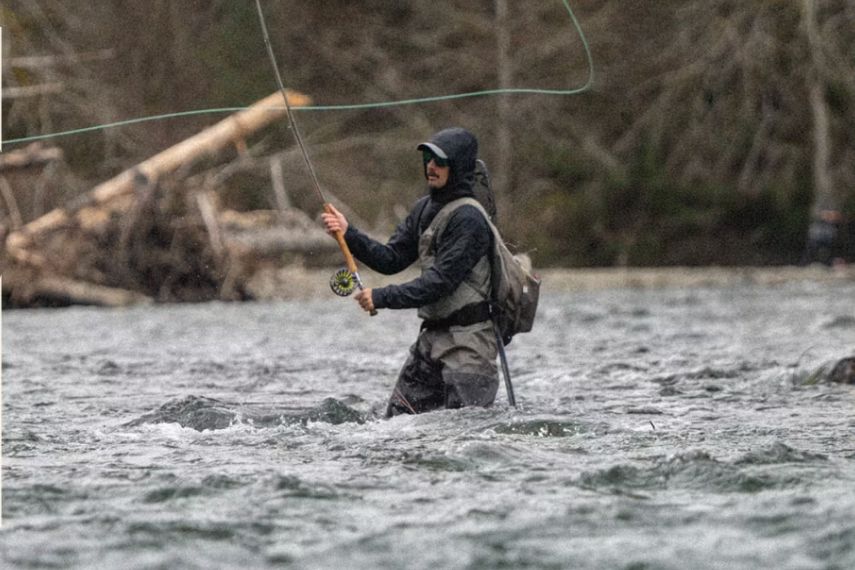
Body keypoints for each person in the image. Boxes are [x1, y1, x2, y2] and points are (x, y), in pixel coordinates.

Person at [321, 127, 499, 417]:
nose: (430, 166)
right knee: (395, 426)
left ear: (459, 166)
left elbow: (439, 283)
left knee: (464, 433)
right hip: (430, 342)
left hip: (469, 348)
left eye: (439, 161)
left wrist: (381, 297)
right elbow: (391, 259)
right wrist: (348, 232)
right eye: (428, 158)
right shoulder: (424, 209)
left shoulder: (470, 220)